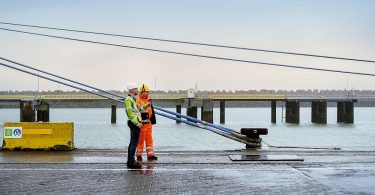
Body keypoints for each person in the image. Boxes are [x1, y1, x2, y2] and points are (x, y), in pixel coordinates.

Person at [136, 84, 158, 161]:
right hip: (142, 123)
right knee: (141, 140)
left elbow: (151, 110)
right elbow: (139, 110)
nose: (148, 93)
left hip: (148, 123)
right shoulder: (138, 100)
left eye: (148, 92)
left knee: (149, 139)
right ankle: (139, 155)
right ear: (142, 92)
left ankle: (150, 155)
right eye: (146, 92)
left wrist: (153, 121)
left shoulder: (149, 99)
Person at [125, 82, 142, 169]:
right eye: (136, 89)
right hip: (134, 123)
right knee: (134, 143)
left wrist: (146, 105)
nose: (138, 90)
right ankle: (131, 162)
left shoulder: (132, 99)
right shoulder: (128, 99)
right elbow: (130, 113)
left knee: (132, 142)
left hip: (133, 122)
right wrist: (138, 123)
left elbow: (137, 110)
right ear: (132, 90)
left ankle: (130, 161)